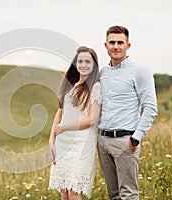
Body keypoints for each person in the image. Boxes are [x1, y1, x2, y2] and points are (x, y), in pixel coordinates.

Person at [97, 25, 158, 200]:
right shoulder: (103, 72)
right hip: (102, 141)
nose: (116, 46)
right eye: (112, 42)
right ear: (106, 45)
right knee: (113, 195)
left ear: (128, 45)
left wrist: (136, 137)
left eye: (120, 42)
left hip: (125, 141)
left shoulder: (140, 71)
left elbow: (150, 108)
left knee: (128, 194)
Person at [49, 46, 102, 200]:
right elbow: (60, 113)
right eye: (80, 61)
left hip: (81, 144)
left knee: (74, 192)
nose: (83, 65)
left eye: (88, 62)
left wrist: (65, 127)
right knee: (64, 192)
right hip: (63, 143)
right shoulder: (70, 85)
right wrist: (51, 140)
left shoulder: (95, 87)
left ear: (94, 66)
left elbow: (92, 119)